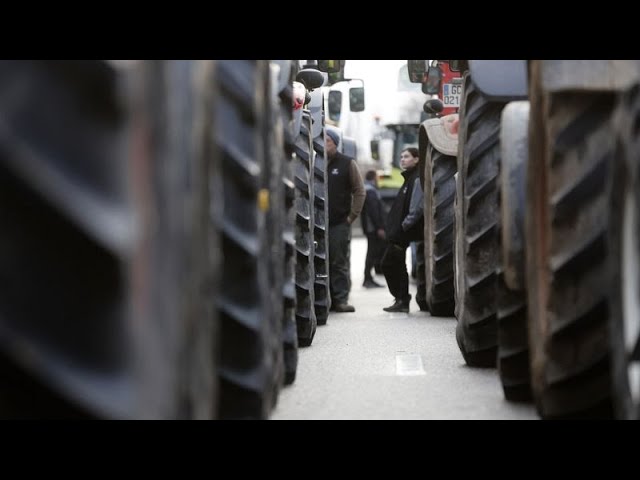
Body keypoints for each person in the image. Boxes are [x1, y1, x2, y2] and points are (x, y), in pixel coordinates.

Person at [326, 128, 365, 313]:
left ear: (335, 143)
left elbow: (359, 190)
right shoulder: (313, 162)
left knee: (338, 261)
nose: (324, 144)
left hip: (339, 223)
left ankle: (340, 299)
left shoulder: (347, 163)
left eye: (327, 141)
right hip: (317, 222)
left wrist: (351, 216)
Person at [381, 147, 425, 313]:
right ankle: (401, 299)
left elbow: (416, 207)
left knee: (390, 263)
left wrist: (404, 225)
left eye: (406, 156)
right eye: (401, 156)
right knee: (396, 264)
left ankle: (402, 299)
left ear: (416, 159)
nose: (402, 159)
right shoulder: (408, 178)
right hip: (398, 232)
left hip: (402, 233)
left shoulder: (416, 179)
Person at [361, 170, 386, 288]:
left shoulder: (368, 189)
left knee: (372, 252)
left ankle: (369, 278)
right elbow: (374, 211)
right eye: (377, 176)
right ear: (373, 177)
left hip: (371, 227)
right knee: (372, 253)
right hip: (372, 228)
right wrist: (379, 227)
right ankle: (367, 278)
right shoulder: (370, 191)